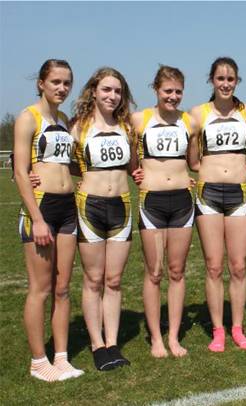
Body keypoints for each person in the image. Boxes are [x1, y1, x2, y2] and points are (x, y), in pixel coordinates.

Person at [13, 59, 83, 381]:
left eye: (67, 83)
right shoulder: (29, 118)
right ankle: (39, 361)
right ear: (41, 82)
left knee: (63, 287)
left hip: (68, 208)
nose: (62, 88)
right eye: (56, 82)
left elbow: (65, 164)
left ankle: (62, 357)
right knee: (40, 288)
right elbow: (20, 171)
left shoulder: (65, 120)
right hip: (41, 210)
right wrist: (37, 219)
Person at [188, 57, 246, 352]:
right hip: (208, 193)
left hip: (239, 193)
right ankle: (218, 330)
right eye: (220, 79)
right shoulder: (198, 113)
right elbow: (191, 160)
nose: (226, 84)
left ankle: (237, 329)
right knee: (214, 266)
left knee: (238, 266)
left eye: (231, 79)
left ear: (237, 81)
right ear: (211, 81)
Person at [73, 67, 136, 371]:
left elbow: (135, 166)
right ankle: (97, 345)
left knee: (113, 280)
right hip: (90, 207)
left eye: (118, 91)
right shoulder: (78, 127)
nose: (112, 96)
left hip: (122, 207)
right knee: (93, 279)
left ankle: (112, 343)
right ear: (94, 91)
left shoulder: (126, 126)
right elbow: (61, 163)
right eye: (107, 90)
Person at [132, 66, 194, 358]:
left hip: (182, 202)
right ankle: (156, 338)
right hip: (152, 204)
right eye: (167, 91)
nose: (173, 96)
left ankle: (173, 336)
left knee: (177, 271)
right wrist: (134, 171)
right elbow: (125, 153)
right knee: (155, 273)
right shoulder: (139, 119)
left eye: (178, 91)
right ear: (156, 90)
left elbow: (195, 160)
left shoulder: (189, 121)